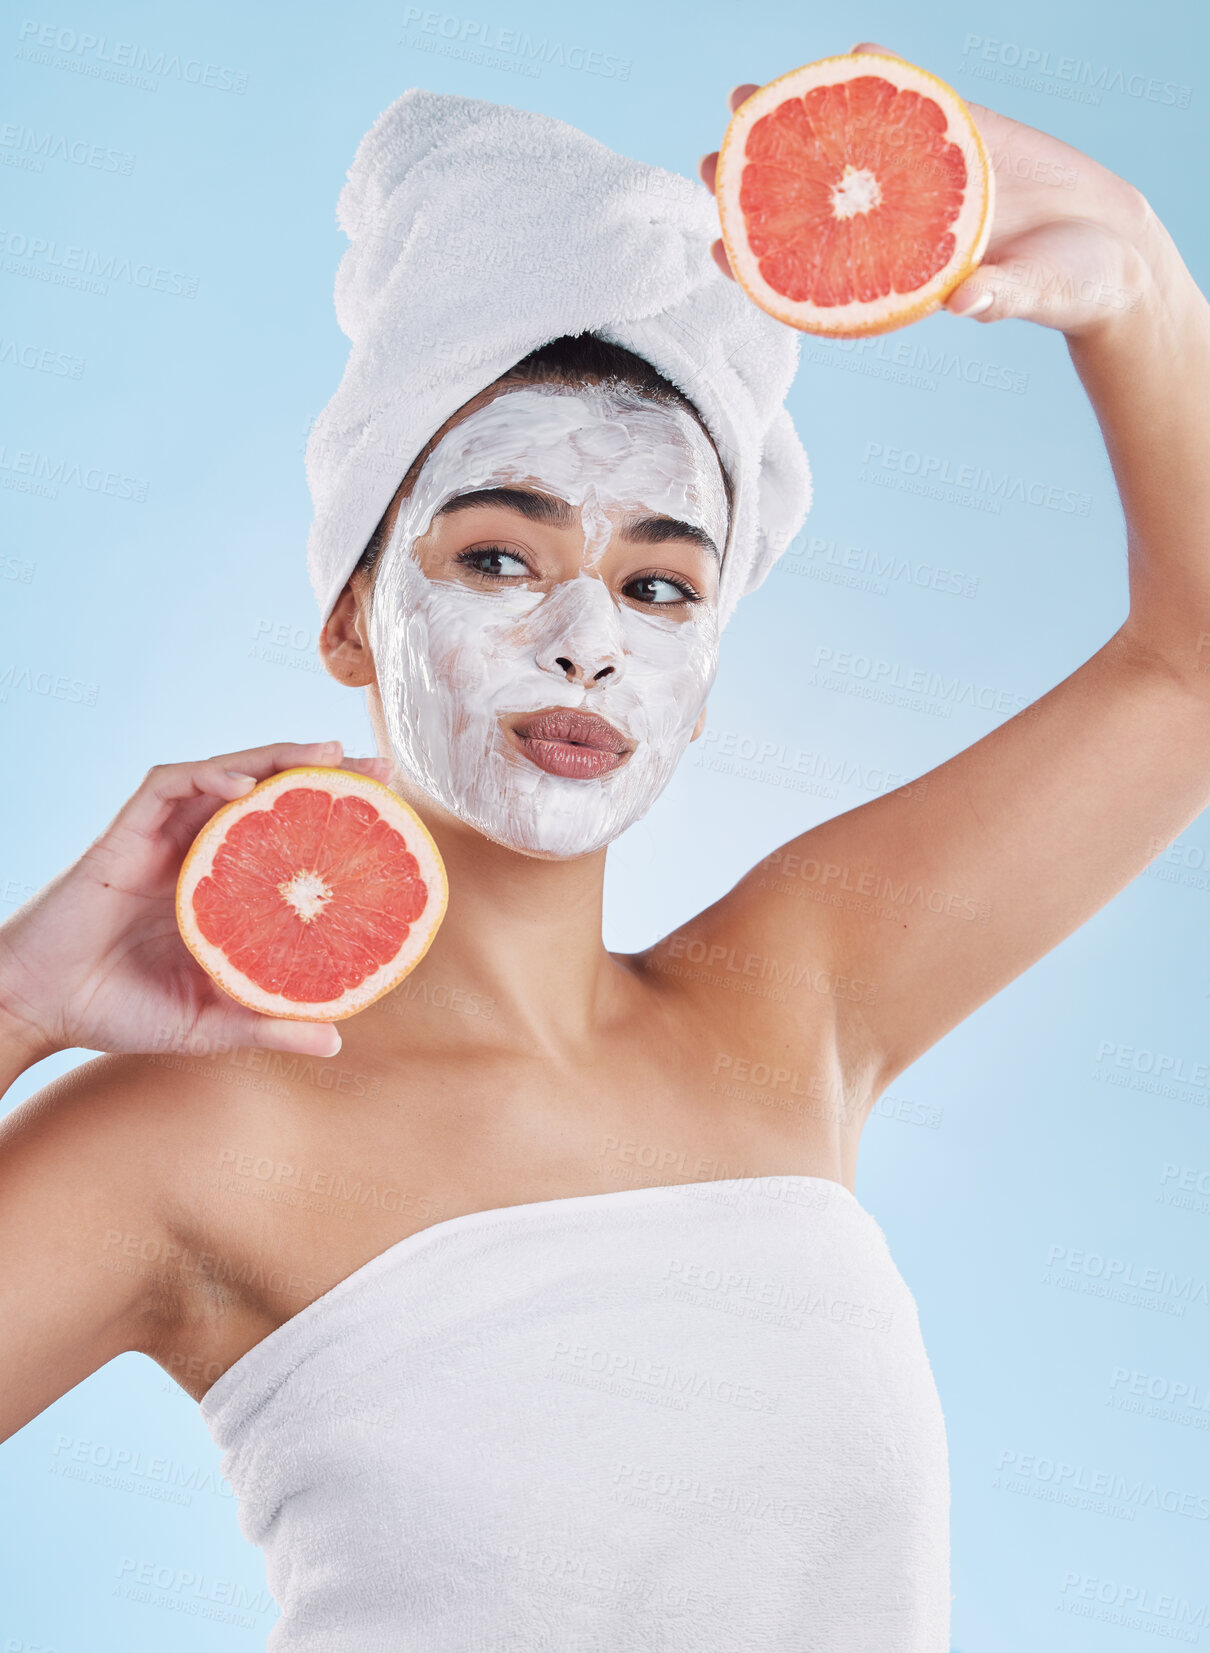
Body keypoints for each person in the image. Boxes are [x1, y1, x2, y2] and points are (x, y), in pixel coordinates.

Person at [3, 43, 1210, 1653]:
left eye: (659, 585)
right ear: (354, 615)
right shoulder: (191, 1136)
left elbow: (1190, 673)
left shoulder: (793, 1004)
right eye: (499, 553)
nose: (586, 642)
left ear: (706, 677)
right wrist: (13, 1001)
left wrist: (1133, 271)